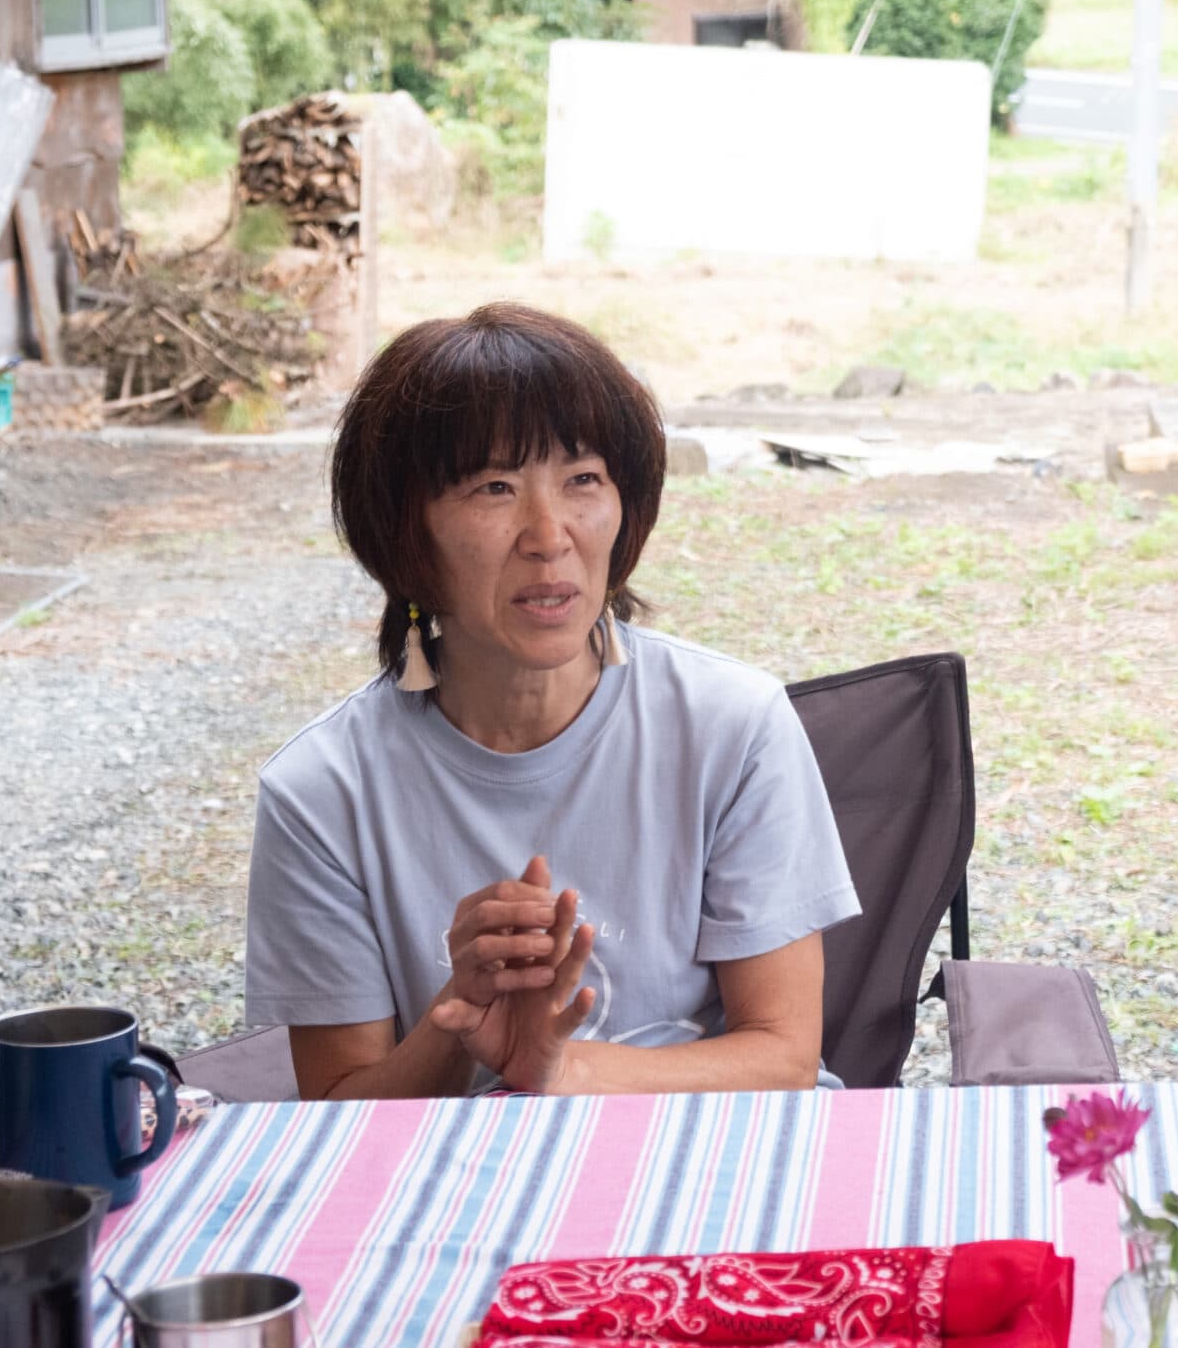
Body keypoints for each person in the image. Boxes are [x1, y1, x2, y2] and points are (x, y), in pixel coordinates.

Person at [244, 303, 859, 1099]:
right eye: (494, 487)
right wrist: (458, 1016)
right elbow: (335, 1108)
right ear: (405, 533)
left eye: (583, 480)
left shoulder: (732, 726)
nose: (549, 534)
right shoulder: (322, 792)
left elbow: (781, 1056)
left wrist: (563, 1069)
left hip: (708, 1166)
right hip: (460, 1190)